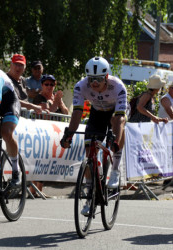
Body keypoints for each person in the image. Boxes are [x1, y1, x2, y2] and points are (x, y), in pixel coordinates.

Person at [60, 56, 127, 215]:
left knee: (119, 124)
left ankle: (115, 170)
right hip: (97, 113)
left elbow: (120, 118)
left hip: (115, 113)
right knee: (89, 151)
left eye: (98, 79)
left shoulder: (118, 87)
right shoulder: (81, 86)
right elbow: (77, 112)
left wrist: (115, 138)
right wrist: (69, 134)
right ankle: (90, 198)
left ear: (106, 77)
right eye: (91, 79)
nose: (94, 83)